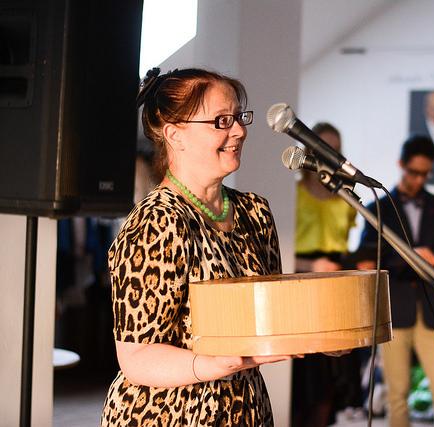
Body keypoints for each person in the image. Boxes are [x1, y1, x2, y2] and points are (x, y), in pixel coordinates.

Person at [100, 67, 291, 426]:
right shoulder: (156, 223)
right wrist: (213, 365)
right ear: (175, 135)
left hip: (246, 409)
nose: (239, 131)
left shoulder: (255, 211)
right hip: (170, 413)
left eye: (239, 117)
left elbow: (270, 315)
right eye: (221, 121)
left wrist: (324, 332)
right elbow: (136, 357)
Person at [356, 135, 434, 427]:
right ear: (401, 164)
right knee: (397, 395)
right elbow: (366, 259)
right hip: (394, 310)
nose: (419, 179)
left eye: (426, 173)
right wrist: (409, 256)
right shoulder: (378, 208)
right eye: (414, 172)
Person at [291, 122, 364, 426]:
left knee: (331, 378)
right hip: (300, 283)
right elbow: (281, 251)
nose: (328, 154)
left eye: (334, 148)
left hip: (335, 285)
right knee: (304, 377)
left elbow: (346, 248)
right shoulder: (294, 194)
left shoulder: (345, 197)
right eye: (322, 147)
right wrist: (311, 267)